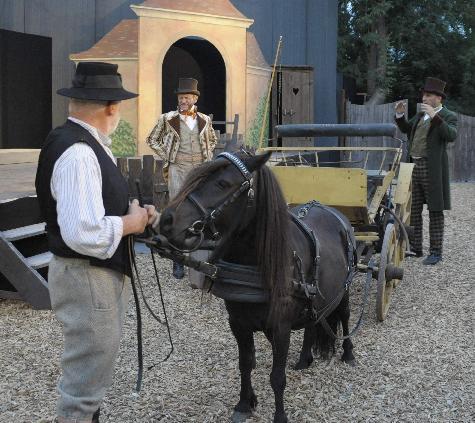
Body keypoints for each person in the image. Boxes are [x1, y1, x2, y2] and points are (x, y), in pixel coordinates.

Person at [35, 62, 159, 423]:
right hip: (86, 276)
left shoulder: (80, 143)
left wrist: (132, 213)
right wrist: (131, 222)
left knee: (90, 377)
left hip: (90, 274)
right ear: (110, 107)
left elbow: (91, 210)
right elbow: (82, 231)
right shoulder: (78, 152)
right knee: (83, 388)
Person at [146, 77, 217, 280]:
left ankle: (201, 260)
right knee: (177, 212)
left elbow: (212, 139)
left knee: (202, 211)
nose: (183, 101)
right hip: (178, 168)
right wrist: (168, 155)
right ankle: (178, 261)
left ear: (194, 98)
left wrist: (206, 155)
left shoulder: (205, 119)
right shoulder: (167, 118)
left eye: (186, 97)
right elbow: (152, 139)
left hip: (199, 169)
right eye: (180, 97)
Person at [395, 77, 457, 265]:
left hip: (433, 169)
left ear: (438, 98)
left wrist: (435, 116)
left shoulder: (447, 115)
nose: (424, 98)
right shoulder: (420, 115)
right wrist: (399, 116)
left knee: (435, 210)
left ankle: (436, 252)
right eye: (423, 94)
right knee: (413, 210)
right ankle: (415, 249)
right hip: (413, 165)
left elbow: (451, 135)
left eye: (428, 95)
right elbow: (407, 129)